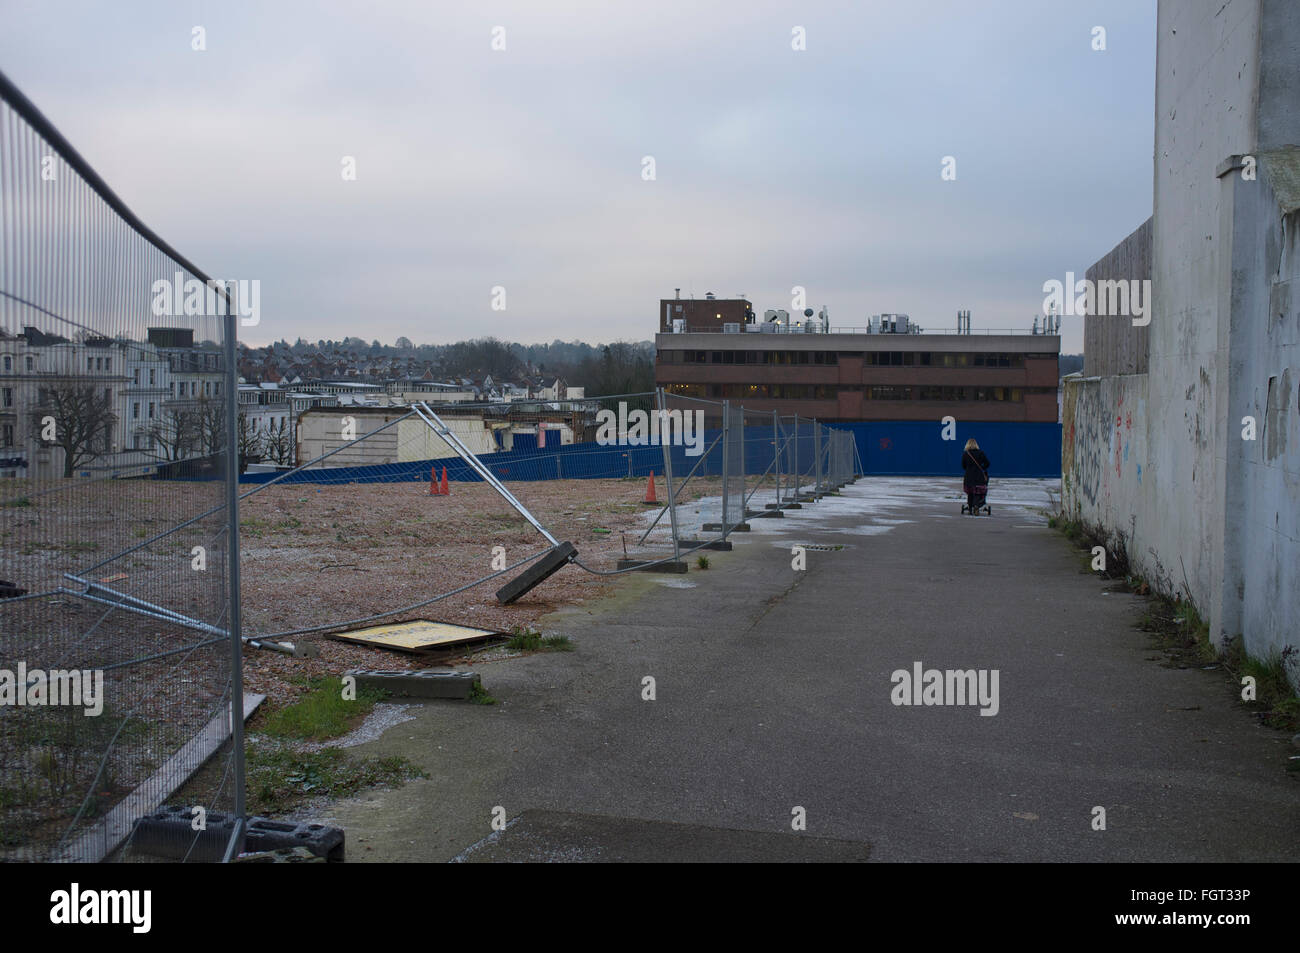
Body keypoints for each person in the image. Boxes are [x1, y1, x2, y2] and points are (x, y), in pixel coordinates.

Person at [961, 438, 990, 511]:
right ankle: (976, 505)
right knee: (978, 491)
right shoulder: (981, 453)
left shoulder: (966, 454)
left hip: (969, 476)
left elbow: (963, 465)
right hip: (979, 476)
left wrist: (968, 469)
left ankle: (970, 507)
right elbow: (987, 463)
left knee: (970, 491)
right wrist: (982, 468)